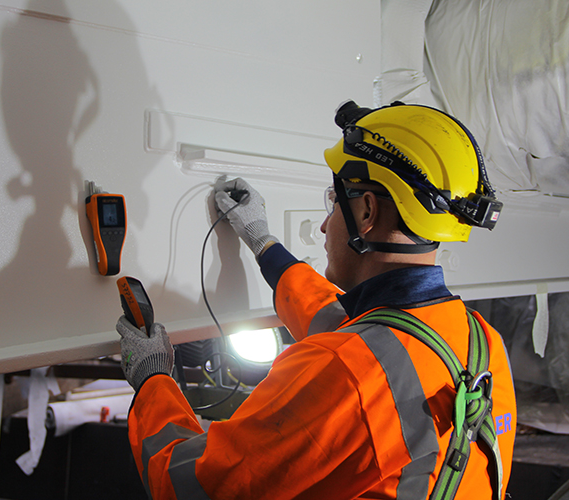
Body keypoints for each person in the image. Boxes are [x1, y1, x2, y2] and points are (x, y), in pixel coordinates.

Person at [116, 101, 516, 499]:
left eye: (334, 202)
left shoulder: (345, 370)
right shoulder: (481, 343)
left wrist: (153, 379)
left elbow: (190, 485)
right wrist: (263, 244)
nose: (325, 224)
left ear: (367, 211)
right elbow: (343, 324)